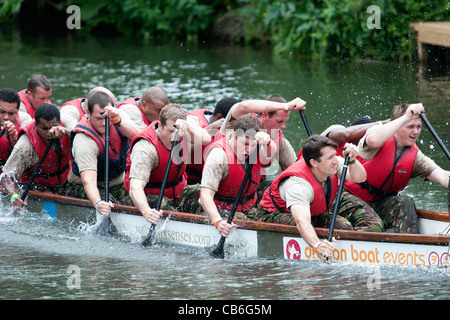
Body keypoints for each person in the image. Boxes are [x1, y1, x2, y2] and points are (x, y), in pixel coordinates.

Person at [258, 135, 374, 258]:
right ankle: (319, 248)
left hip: (310, 213)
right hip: (273, 214)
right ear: (314, 162)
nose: (336, 160)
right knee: (302, 225)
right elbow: (301, 220)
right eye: (330, 157)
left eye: (335, 155)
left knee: (344, 227)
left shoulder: (331, 164)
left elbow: (360, 177)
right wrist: (317, 245)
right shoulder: (298, 184)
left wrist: (352, 161)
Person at [345, 103, 450, 234]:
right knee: (373, 224)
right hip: (348, 199)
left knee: (406, 202)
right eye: (410, 126)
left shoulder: (416, 157)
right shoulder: (377, 134)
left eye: (418, 127)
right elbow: (372, 140)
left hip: (375, 206)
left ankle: (411, 249)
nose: (416, 132)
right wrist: (406, 117)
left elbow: (443, 176)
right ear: (398, 125)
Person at [123, 103, 211, 226]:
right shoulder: (145, 147)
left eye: (177, 131)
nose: (174, 136)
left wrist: (188, 127)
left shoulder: (182, 133)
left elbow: (206, 139)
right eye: (170, 131)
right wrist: (146, 211)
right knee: (166, 206)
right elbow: (135, 188)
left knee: (203, 193)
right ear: (160, 125)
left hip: (176, 192)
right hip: (146, 196)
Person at [194, 115, 275, 238]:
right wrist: (217, 221)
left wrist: (268, 142)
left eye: (252, 145)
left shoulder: (257, 146)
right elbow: (205, 195)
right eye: (245, 144)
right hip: (220, 207)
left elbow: (271, 151)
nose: (249, 150)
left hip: (247, 203)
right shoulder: (218, 156)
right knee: (241, 219)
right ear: (234, 136)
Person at [66, 91, 140, 216]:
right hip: (84, 187)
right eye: (99, 119)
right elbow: (88, 181)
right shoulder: (83, 140)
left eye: (106, 118)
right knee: (111, 202)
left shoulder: (116, 117)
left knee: (140, 197)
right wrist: (98, 203)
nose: (104, 123)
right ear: (88, 113)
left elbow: (140, 137)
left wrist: (117, 120)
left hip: (116, 183)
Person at [1, 104, 71, 212]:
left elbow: (81, 136)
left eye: (53, 127)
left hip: (64, 180)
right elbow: (5, 177)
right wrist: (14, 196)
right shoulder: (25, 146)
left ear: (59, 123)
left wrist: (65, 131)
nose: (49, 133)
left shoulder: (66, 126)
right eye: (44, 128)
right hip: (35, 186)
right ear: (36, 125)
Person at [185, 97, 238, 184]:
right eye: (232, 123)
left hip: (211, 178)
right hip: (189, 181)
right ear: (219, 117)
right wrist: (209, 129)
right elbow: (180, 152)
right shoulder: (192, 121)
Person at [0, 88, 33, 172]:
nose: (6, 117)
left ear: (17, 111)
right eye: (2, 112)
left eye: (11, 113)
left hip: (11, 173)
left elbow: (28, 151)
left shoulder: (25, 119)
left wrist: (14, 135)